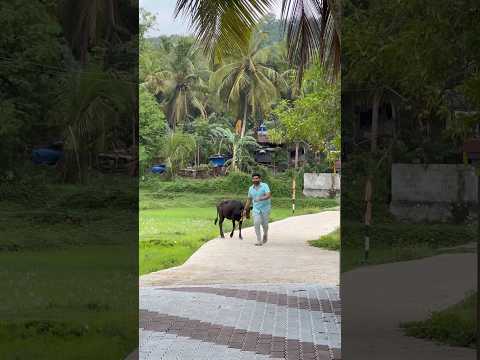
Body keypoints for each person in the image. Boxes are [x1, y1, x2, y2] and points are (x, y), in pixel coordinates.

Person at [244, 173, 272, 246]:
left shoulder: (265, 185)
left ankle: (265, 234)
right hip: (256, 209)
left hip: (265, 208)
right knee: (256, 223)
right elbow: (249, 199)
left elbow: (268, 195)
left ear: (260, 179)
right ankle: (259, 240)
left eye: (256, 178)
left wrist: (260, 198)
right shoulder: (251, 188)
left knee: (265, 225)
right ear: (252, 179)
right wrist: (245, 210)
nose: (255, 180)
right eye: (253, 179)